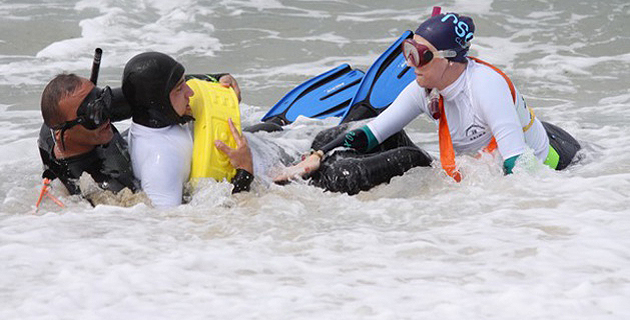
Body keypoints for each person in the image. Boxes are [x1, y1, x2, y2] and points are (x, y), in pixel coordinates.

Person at [278, 10, 581, 183]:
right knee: (367, 143)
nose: (410, 64)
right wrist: (316, 157)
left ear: (449, 59)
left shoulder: (487, 87)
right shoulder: (423, 89)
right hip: (500, 151)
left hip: (558, 157)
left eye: (420, 55)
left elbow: (521, 168)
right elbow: (372, 133)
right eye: (407, 52)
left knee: (410, 159)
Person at [123, 52, 253, 208]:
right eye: (179, 88)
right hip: (256, 167)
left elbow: (185, 82)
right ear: (158, 101)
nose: (190, 92)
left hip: (255, 145)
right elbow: (176, 224)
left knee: (271, 128)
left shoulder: (155, 121)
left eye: (184, 82)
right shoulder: (162, 162)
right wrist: (245, 171)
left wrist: (221, 78)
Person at [37, 73, 139, 199]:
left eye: (103, 100)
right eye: (93, 114)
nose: (105, 115)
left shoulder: (54, 126)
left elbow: (146, 94)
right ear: (63, 134)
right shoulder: (101, 189)